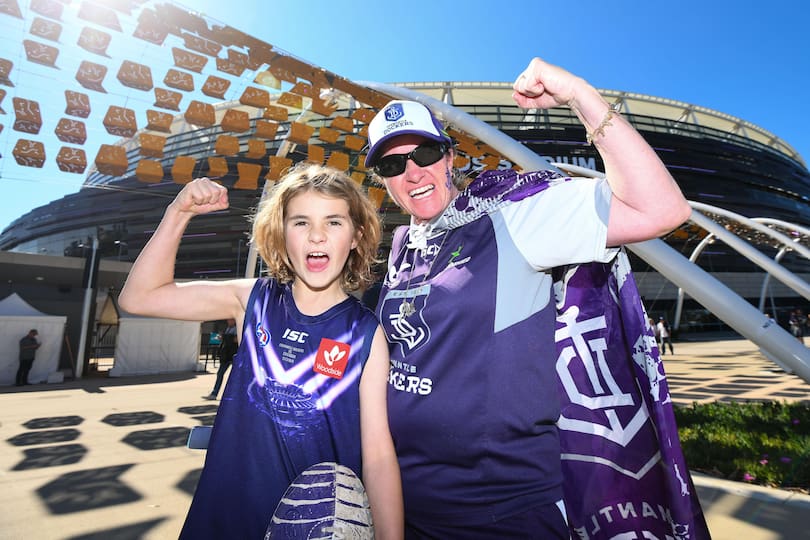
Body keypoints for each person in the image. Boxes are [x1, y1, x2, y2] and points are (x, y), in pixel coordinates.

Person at [365, 57, 692, 538]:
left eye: (426, 154)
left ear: (450, 157)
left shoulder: (511, 217)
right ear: (384, 180)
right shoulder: (399, 249)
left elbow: (661, 209)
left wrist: (581, 94)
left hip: (503, 512)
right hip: (404, 508)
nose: (412, 172)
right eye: (394, 164)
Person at [118, 163, 403, 539]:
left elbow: (379, 456)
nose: (317, 236)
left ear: (355, 236)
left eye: (333, 222)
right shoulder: (253, 300)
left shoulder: (366, 334)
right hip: (221, 522)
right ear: (282, 234)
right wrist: (179, 213)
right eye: (301, 222)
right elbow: (139, 297)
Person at [204, 318, 237, 400]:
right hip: (226, 355)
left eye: (230, 320)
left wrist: (226, 338)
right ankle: (214, 393)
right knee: (220, 374)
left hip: (233, 354)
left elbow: (236, 339)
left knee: (235, 376)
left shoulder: (236, 328)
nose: (228, 322)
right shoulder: (228, 329)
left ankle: (233, 395)